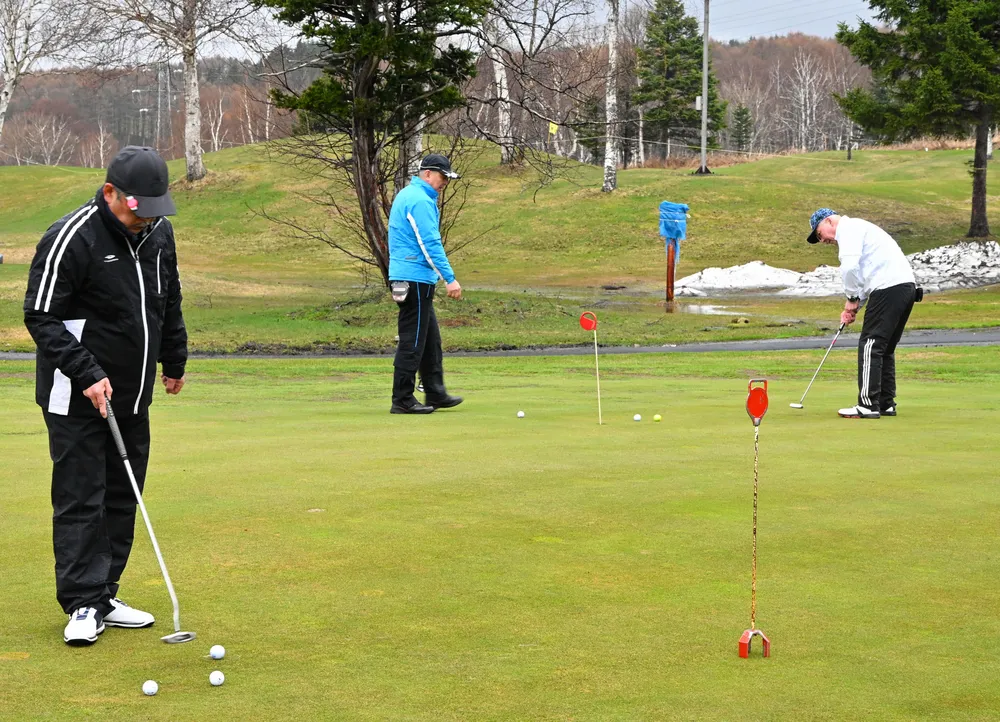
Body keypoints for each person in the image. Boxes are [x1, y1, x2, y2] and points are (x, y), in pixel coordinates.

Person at [23, 146, 188, 646]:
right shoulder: (72, 237)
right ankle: (80, 603)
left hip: (133, 396)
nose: (146, 221)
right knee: (81, 498)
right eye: (137, 210)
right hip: (75, 398)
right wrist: (86, 371)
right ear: (111, 192)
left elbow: (169, 298)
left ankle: (104, 595)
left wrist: (174, 358)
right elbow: (41, 316)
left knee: (122, 496)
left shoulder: (157, 232)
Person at [807, 208, 917, 419]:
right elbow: (868, 276)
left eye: (819, 234)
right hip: (904, 288)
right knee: (884, 348)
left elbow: (849, 269)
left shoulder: (848, 229)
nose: (822, 240)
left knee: (870, 345)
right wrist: (855, 306)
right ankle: (885, 403)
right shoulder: (861, 228)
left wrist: (850, 298)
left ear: (829, 221)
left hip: (888, 287)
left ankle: (867, 405)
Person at [387, 154, 465, 414]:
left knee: (430, 338)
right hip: (414, 278)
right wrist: (449, 278)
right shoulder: (419, 200)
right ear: (428, 173)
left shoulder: (411, 195)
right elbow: (429, 243)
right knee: (414, 339)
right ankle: (402, 399)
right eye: (443, 177)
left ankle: (434, 390)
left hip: (411, 277)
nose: (445, 183)